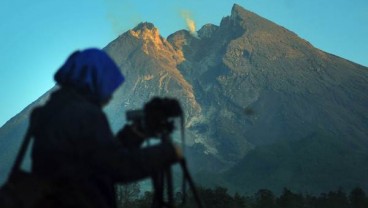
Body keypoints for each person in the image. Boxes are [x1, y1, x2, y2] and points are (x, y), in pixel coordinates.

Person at [28, 48, 181, 208]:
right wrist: (168, 151)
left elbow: (95, 159)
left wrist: (134, 134)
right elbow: (118, 167)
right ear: (94, 80)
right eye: (107, 87)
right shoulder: (86, 114)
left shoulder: (51, 112)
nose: (109, 96)